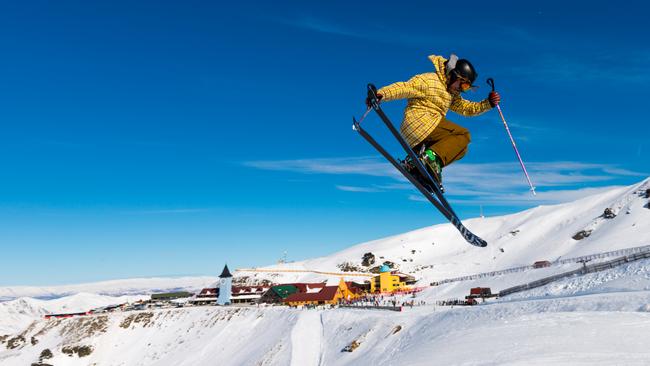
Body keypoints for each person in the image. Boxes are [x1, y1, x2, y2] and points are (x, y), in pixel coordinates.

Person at [366, 54, 500, 184]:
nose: (461, 89)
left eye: (466, 88)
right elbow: (405, 87)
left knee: (460, 148)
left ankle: (418, 167)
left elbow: (466, 108)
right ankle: (429, 159)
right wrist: (381, 94)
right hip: (421, 121)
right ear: (454, 75)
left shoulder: (451, 93)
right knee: (463, 135)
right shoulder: (430, 80)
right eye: (463, 85)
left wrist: (488, 103)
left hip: (415, 138)